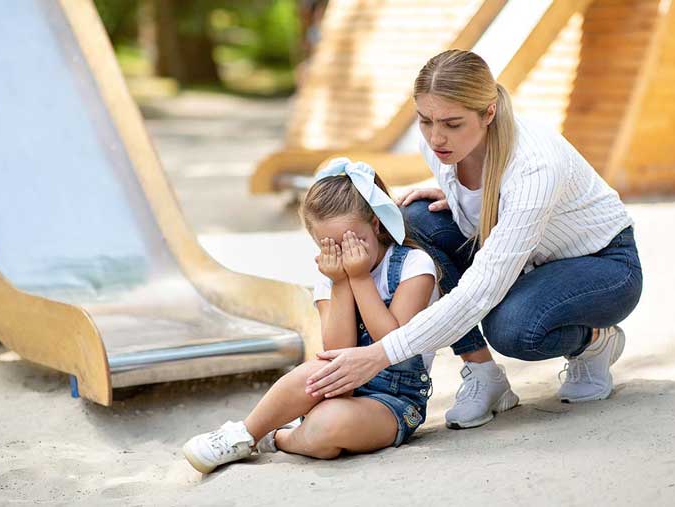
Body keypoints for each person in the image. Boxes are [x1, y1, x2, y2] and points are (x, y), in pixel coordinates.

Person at [304, 50, 644, 428]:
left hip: (602, 265)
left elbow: (480, 292)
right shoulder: (438, 146)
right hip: (524, 260)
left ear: (489, 113)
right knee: (412, 220)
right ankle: (485, 376)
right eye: (425, 120)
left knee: (514, 327)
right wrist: (464, 198)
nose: (436, 137)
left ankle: (594, 340)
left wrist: (379, 355)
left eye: (452, 123)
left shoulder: (535, 166)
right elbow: (483, 191)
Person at [182, 158, 437, 473]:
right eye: (331, 246)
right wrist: (342, 283)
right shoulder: (331, 278)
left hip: (395, 400)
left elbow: (393, 343)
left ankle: (281, 438)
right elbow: (335, 348)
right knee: (313, 371)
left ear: (375, 224)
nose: (343, 256)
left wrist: (358, 279)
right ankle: (244, 434)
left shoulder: (414, 266)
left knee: (327, 429)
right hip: (339, 385)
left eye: (352, 242)